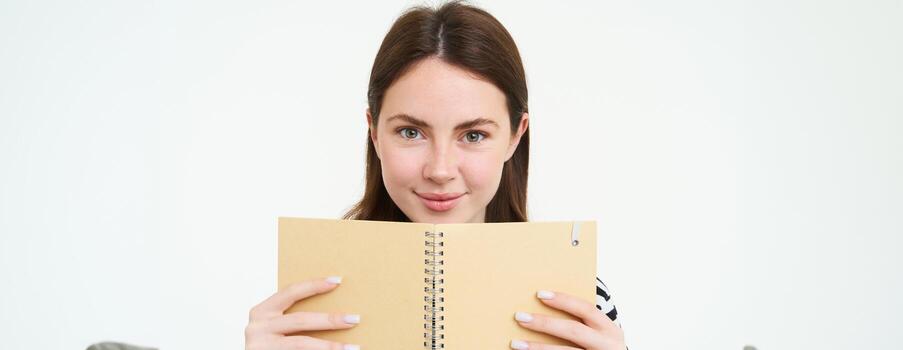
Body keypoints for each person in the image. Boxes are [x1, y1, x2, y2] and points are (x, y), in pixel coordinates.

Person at [245, 1, 626, 349]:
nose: (440, 170)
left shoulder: (580, 300)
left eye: (474, 135)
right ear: (374, 131)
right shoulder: (307, 298)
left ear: (515, 136)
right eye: (411, 132)